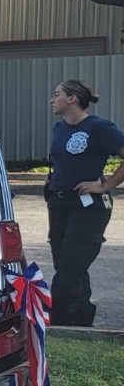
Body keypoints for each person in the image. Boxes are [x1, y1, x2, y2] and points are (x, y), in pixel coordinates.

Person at [44, 79, 124, 327]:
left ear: (72, 99)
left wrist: (104, 186)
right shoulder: (59, 128)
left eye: (56, 94)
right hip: (59, 204)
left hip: (88, 208)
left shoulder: (99, 127)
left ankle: (59, 322)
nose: (51, 99)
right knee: (65, 263)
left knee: (70, 265)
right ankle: (79, 319)